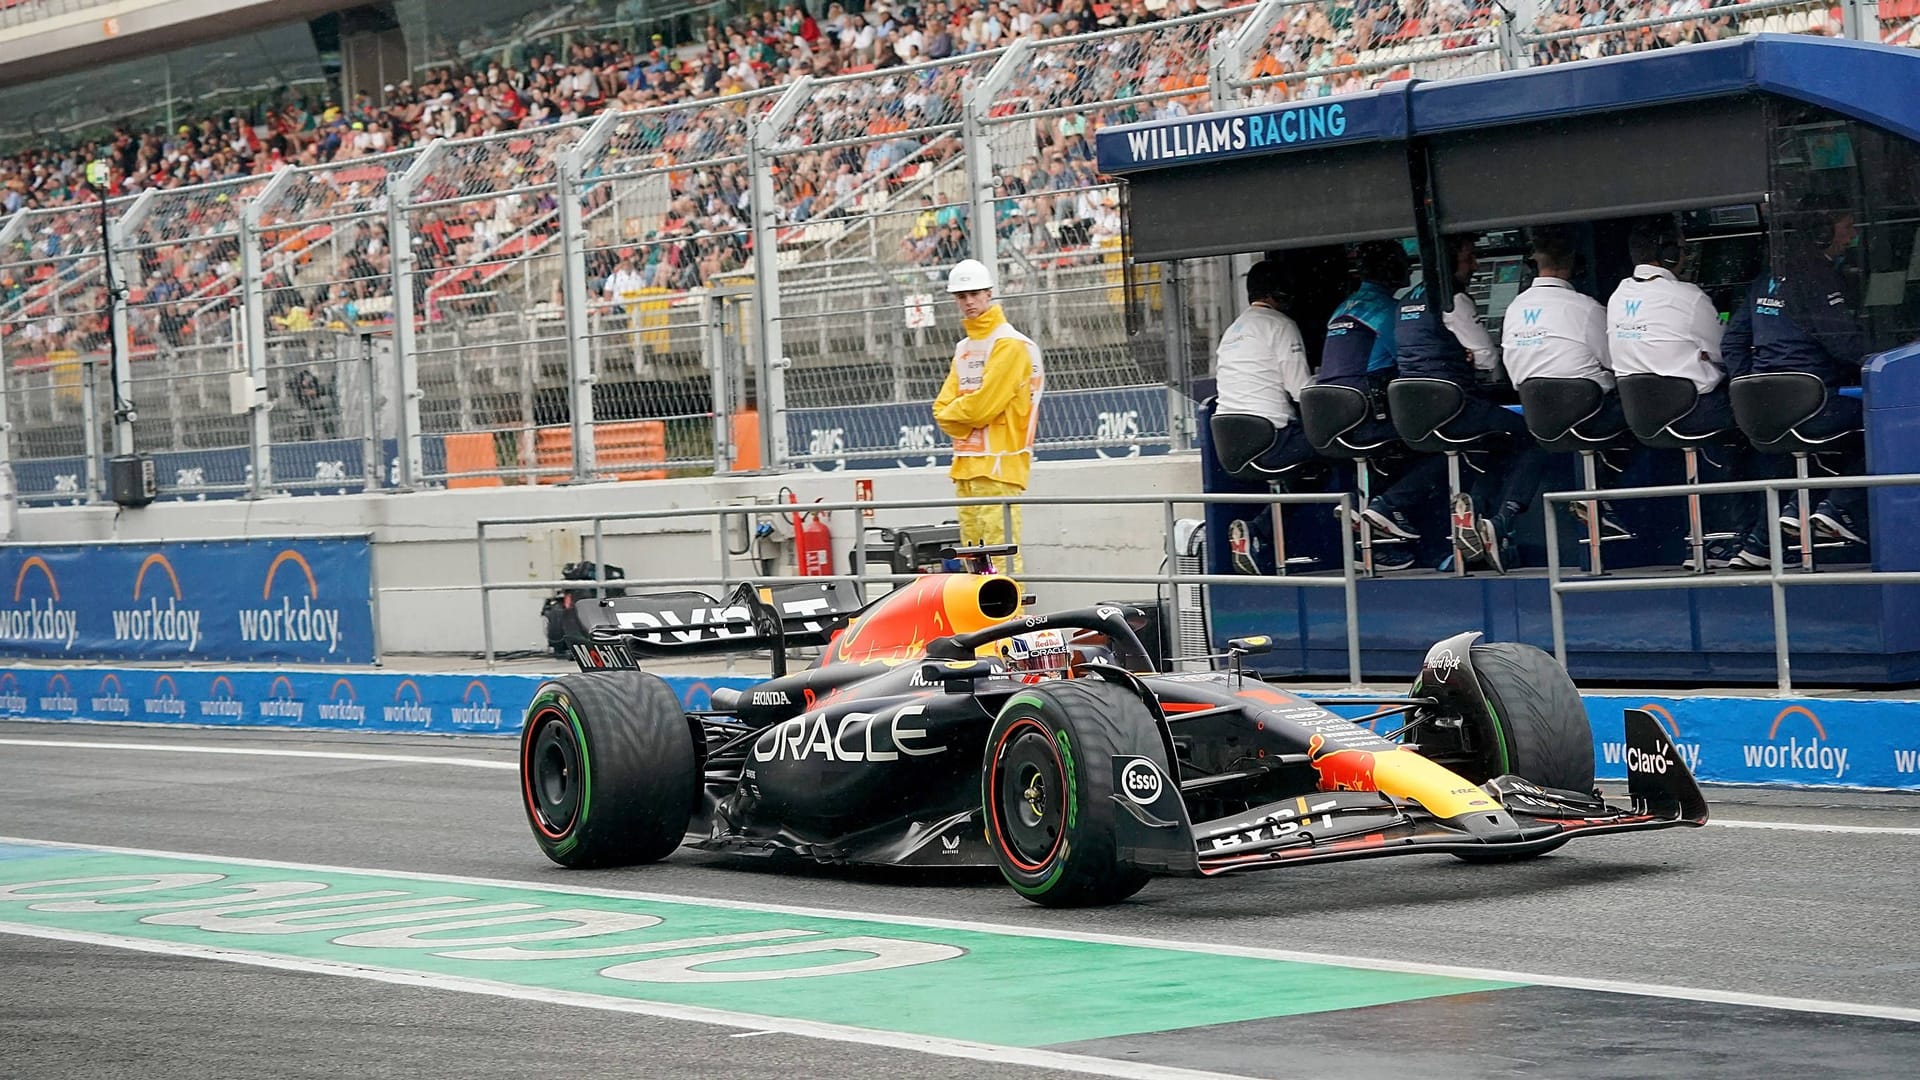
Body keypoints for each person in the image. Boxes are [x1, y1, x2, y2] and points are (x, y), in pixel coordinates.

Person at [1722, 199, 1869, 550]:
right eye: (1847, 226)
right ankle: (1836, 509)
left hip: (1764, 412)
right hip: (1811, 406)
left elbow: (1732, 342)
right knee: (1881, 425)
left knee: (1807, 447)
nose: (1852, 235)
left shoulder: (1766, 279)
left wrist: (1752, 386)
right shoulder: (1818, 276)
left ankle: (1774, 531)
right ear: (1822, 232)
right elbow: (1844, 345)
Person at [1608, 216, 1752, 568]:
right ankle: (1752, 539)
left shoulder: (1616, 297)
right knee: (1756, 419)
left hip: (1641, 417)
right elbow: (1724, 351)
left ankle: (1624, 506)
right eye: (1683, 249)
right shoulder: (1688, 297)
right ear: (1669, 253)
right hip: (1691, 412)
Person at [1500, 224, 1629, 544]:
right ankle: (1596, 494)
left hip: (1540, 420)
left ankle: (1504, 517)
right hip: (1589, 417)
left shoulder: (1514, 309)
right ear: (1574, 264)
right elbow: (1617, 362)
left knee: (1536, 441)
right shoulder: (1586, 308)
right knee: (1640, 414)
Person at [1314, 241, 1442, 562]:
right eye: (1404, 263)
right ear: (1393, 269)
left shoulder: (1341, 309)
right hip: (1368, 418)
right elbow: (1413, 359)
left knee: (1392, 455)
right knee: (1441, 443)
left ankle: (1372, 537)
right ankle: (1387, 507)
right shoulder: (1388, 310)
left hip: (1335, 424)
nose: (1411, 269)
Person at [933, 258, 1044, 575]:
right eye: (961, 296)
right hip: (967, 468)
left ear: (989, 294)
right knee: (973, 563)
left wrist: (961, 414)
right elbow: (941, 410)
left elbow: (983, 407)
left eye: (974, 294)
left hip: (999, 470)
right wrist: (965, 414)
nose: (968, 302)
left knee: (1001, 559)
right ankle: (982, 623)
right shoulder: (965, 347)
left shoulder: (1010, 345)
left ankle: (1013, 623)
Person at [1211, 260, 1316, 574]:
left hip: (1231, 446)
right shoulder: (1281, 325)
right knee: (1334, 447)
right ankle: (1360, 534)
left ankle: (1259, 531)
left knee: (1303, 471)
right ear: (1282, 292)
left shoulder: (1232, 331)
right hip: (1271, 441)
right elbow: (1303, 392)